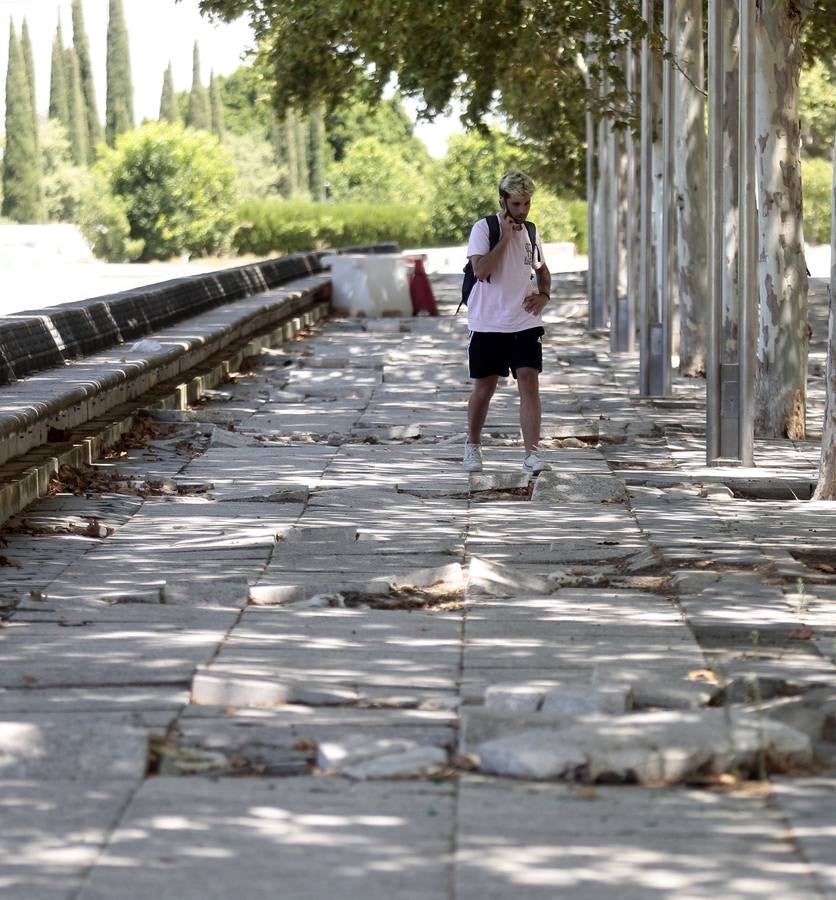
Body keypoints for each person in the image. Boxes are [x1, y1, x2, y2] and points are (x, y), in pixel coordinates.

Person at [462, 171, 552, 475]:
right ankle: (472, 445)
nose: (523, 210)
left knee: (529, 381)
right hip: (488, 323)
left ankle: (532, 453)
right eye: (516, 204)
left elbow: (542, 270)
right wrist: (506, 237)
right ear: (504, 201)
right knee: (485, 388)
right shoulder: (483, 228)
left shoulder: (531, 230)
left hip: (524, 322)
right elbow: (482, 271)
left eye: (526, 203)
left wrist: (544, 295)